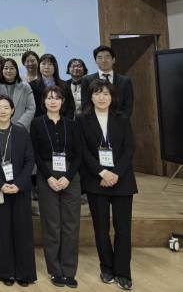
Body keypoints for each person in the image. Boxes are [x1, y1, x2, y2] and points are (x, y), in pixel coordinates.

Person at [78, 79, 137, 290]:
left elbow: (129, 148)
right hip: (96, 180)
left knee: (123, 229)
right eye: (97, 93)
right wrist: (102, 172)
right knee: (101, 229)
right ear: (91, 97)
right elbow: (82, 150)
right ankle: (107, 268)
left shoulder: (122, 118)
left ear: (112, 97)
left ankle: (123, 272)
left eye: (105, 94)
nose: (101, 98)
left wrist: (115, 173)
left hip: (122, 180)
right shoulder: (82, 119)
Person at [0, 95, 36, 287]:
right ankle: (5, 272)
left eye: (6, 107)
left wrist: (18, 184)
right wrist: (0, 184)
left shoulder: (21, 131)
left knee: (23, 229)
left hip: (20, 187)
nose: (2, 111)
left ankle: (24, 273)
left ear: (12, 110)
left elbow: (29, 159)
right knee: (1, 230)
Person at [30, 86, 82, 288]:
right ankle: (55, 271)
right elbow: (35, 154)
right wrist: (49, 177)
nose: (53, 101)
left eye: (57, 98)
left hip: (70, 175)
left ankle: (69, 270)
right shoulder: (37, 123)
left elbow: (79, 154)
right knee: (51, 224)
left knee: (71, 224)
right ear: (43, 101)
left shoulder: (72, 124)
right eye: (49, 98)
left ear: (62, 101)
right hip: (46, 174)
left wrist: (68, 177)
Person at [81, 45, 134, 119]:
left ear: (113, 60)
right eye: (100, 58)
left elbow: (128, 106)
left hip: (120, 122)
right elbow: (85, 105)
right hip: (95, 122)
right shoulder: (87, 80)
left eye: (107, 57)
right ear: (96, 61)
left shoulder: (125, 81)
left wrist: (121, 122)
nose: (103, 60)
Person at [0, 58, 36, 130]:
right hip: (1, 127)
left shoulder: (25, 86)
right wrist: (2, 123)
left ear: (16, 71)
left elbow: (31, 108)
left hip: (22, 127)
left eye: (12, 68)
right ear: (2, 70)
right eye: (6, 68)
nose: (9, 71)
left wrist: (20, 124)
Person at [29, 54, 75, 118]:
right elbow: (31, 107)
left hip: (62, 121)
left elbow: (70, 106)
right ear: (39, 66)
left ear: (55, 66)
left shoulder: (65, 85)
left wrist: (65, 121)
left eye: (50, 64)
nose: (46, 67)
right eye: (43, 64)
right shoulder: (31, 85)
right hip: (39, 121)